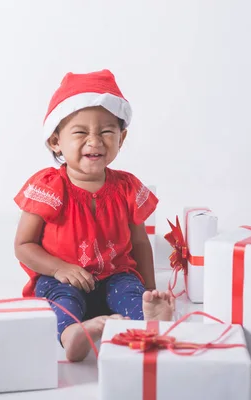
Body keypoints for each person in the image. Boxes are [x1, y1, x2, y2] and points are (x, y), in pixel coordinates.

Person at [14, 69, 173, 362]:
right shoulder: (49, 187)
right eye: (80, 132)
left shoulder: (127, 187)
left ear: (121, 138)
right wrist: (59, 268)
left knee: (130, 290)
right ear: (55, 141)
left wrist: (150, 289)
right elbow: (23, 246)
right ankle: (73, 335)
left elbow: (139, 245)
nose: (94, 141)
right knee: (63, 301)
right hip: (61, 278)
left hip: (115, 276)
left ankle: (148, 319)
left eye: (106, 131)